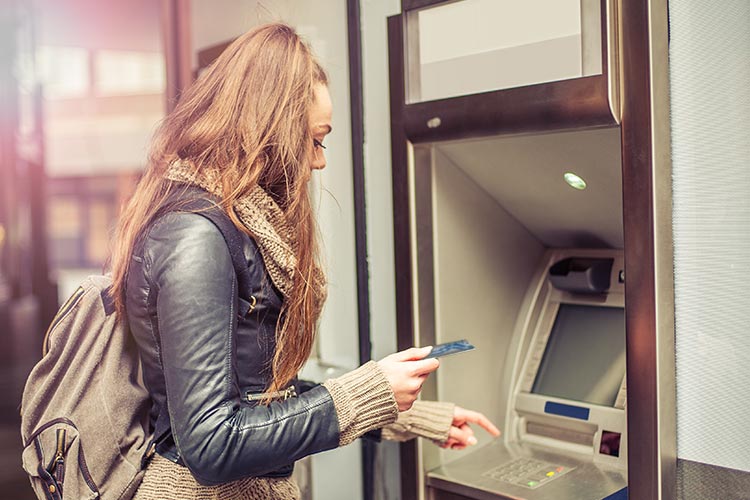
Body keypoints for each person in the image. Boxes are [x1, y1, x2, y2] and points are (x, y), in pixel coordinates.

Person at [108, 22, 499, 500]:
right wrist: (368, 393)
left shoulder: (231, 224)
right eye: (315, 140)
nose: (319, 161)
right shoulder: (196, 235)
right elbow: (210, 443)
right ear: (269, 132)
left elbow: (257, 391)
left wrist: (405, 412)